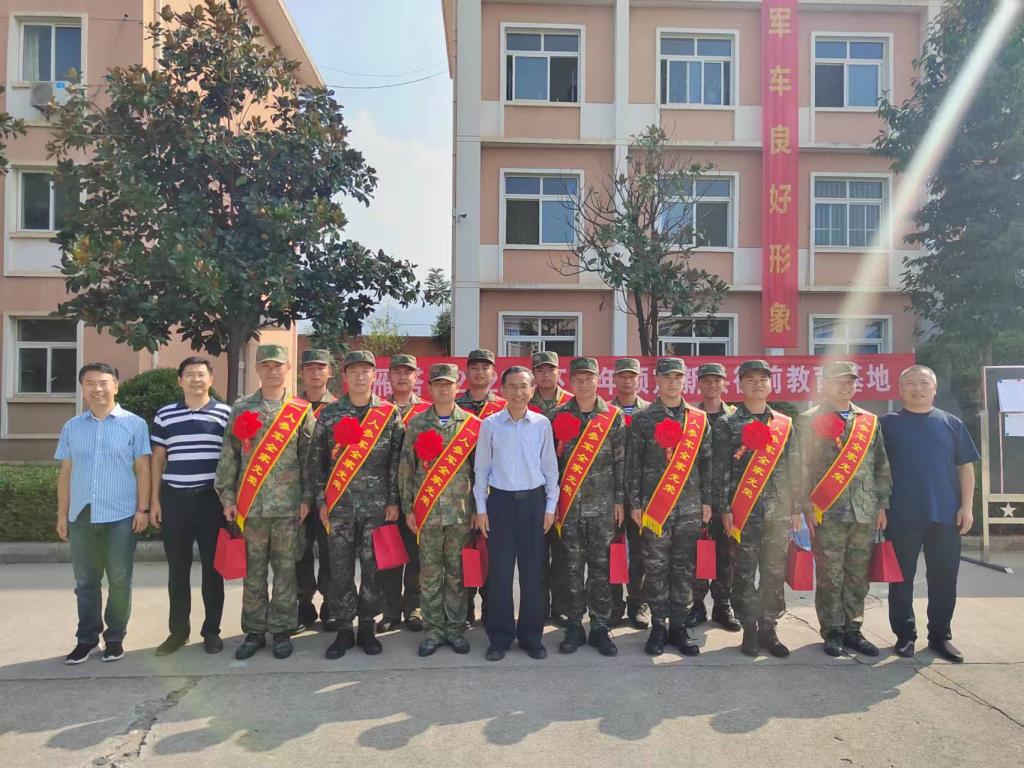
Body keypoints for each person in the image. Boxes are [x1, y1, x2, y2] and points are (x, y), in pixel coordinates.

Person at [215, 344, 315, 661]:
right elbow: (229, 456)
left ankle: (282, 630)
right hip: (251, 507)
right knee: (254, 573)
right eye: (266, 366)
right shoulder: (242, 408)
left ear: (288, 369)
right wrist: (227, 497)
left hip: (288, 508)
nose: (272, 371)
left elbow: (309, 460)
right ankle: (255, 631)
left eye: (277, 365)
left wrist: (307, 498)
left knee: (286, 572)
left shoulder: (300, 410)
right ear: (258, 369)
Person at [309, 350, 404, 658]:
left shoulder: (389, 414)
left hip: (377, 508)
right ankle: (343, 629)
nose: (360, 376)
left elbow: (397, 462)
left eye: (366, 371)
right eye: (354, 371)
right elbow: (317, 463)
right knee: (339, 569)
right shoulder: (330, 414)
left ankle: (366, 626)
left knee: (373, 569)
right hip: (340, 506)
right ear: (345, 376)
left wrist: (393, 500)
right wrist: (322, 500)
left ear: (375, 376)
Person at [880, 365, 979, 663]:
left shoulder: (951, 423)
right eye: (910, 383)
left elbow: (965, 468)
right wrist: (880, 507)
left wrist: (967, 507)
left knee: (944, 578)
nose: (918, 389)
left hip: (946, 515)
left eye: (924, 383)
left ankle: (940, 636)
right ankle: (904, 636)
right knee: (901, 579)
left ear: (934, 389)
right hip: (901, 514)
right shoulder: (887, 424)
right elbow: (876, 471)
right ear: (900, 389)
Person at [55, 363, 152, 664]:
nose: (97, 389)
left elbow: (143, 469)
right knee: (85, 582)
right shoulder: (72, 427)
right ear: (83, 388)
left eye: (104, 382)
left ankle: (115, 638)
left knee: (119, 580)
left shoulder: (134, 424)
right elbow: (66, 472)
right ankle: (86, 639)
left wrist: (143, 509)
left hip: (121, 515)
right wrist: (62, 515)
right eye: (90, 383)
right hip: (82, 514)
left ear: (116, 386)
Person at [799, 361, 891, 657]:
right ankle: (832, 630)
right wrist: (805, 507)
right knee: (830, 574)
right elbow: (801, 467)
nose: (846, 386)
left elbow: (881, 464)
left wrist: (882, 504)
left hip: (864, 509)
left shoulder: (869, 421)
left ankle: (854, 628)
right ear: (825, 384)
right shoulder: (808, 420)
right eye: (839, 381)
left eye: (850, 381)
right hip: (827, 510)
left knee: (857, 574)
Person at [713, 359, 802, 658]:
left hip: (778, 512)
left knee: (774, 572)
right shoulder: (727, 424)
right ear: (740, 385)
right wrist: (725, 508)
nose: (757, 384)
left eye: (763, 379)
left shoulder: (784, 424)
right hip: (743, 513)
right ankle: (749, 628)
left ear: (770, 384)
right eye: (750, 379)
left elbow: (794, 468)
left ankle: (769, 628)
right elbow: (720, 469)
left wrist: (795, 508)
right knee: (743, 572)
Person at [627, 357, 712, 656]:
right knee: (656, 567)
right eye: (667, 377)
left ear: (685, 380)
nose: (672, 383)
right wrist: (634, 503)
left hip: (689, 507)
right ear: (657, 380)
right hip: (655, 509)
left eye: (678, 377)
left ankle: (678, 626)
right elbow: (633, 465)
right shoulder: (643, 419)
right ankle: (658, 626)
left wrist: (707, 501)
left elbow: (707, 463)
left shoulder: (698, 419)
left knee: (684, 569)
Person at [474, 366, 560, 661]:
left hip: (533, 504)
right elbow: (481, 469)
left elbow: (550, 468)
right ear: (502, 390)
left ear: (532, 390)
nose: (518, 392)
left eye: (524, 386)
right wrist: (481, 510)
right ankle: (499, 637)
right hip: (500, 504)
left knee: (533, 574)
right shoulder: (490, 425)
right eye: (512, 386)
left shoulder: (541, 424)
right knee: (499, 574)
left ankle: (531, 637)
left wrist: (550, 508)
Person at [150, 356, 232, 656]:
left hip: (212, 501)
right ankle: (178, 632)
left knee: (213, 569)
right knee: (178, 569)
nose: (196, 379)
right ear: (180, 380)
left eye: (201, 374)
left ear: (211, 379)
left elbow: (233, 459)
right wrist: (154, 500)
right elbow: (158, 459)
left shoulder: (226, 414)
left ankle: (211, 631)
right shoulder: (165, 415)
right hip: (175, 499)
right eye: (189, 374)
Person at [399, 363, 479, 656]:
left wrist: (477, 508)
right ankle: (432, 631)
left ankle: (455, 629)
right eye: (438, 384)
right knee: (430, 575)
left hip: (460, 512)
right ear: (430, 388)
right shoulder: (417, 424)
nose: (444, 389)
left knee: (456, 574)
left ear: (458, 387)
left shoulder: (472, 425)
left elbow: (480, 471)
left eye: (449, 384)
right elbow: (406, 469)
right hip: (427, 512)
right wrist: (408, 508)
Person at [551, 357, 625, 657]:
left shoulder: (613, 416)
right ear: (570, 382)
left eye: (589, 378)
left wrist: (619, 500)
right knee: (570, 568)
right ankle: (573, 625)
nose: (583, 384)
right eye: (578, 379)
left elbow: (621, 461)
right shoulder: (557, 415)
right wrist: (552, 502)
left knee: (600, 569)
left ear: (598, 380)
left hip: (603, 506)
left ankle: (600, 626)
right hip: (569, 506)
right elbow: (549, 464)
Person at [687, 362, 741, 632]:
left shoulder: (735, 417)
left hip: (729, 498)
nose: (711, 385)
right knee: (697, 551)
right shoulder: (691, 417)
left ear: (724, 383)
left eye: (716, 380)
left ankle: (722, 605)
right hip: (697, 496)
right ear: (698, 384)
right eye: (706, 380)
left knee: (727, 553)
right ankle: (697, 604)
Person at [455, 348, 506, 627]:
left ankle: (490, 609)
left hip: (495, 495)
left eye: (485, 367)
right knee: (463, 555)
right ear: (466, 372)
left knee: (492, 555)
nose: (479, 372)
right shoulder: (454, 405)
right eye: (474, 367)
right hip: (458, 494)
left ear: (493, 374)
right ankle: (464, 612)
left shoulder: (503, 408)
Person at [378, 353, 427, 633]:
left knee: (416, 556)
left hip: (420, 496)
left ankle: (414, 608)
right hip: (384, 497)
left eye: (407, 372)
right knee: (390, 556)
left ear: (416, 377)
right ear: (388, 377)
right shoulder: (378, 411)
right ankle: (390, 611)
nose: (402, 377)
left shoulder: (428, 411)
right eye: (396, 372)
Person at [528, 350, 573, 626]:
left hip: (568, 487)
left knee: (563, 553)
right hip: (533, 488)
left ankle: (561, 607)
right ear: (533, 374)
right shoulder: (523, 401)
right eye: (540, 370)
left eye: (550, 369)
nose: (546, 375)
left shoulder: (572, 404)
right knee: (536, 553)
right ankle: (538, 606)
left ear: (559, 372)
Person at [295, 348, 337, 633]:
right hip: (296, 494)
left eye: (320, 367)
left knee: (331, 550)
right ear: (301, 373)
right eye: (309, 368)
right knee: (299, 551)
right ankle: (303, 603)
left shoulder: (339, 408)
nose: (315, 372)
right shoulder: (289, 408)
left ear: (330, 372)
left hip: (330, 494)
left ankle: (331, 604)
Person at [609, 357, 652, 630]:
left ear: (639, 380)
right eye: (622, 376)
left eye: (632, 376)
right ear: (614, 379)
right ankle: (614, 605)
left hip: (641, 496)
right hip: (609, 495)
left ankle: (638, 604)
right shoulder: (604, 412)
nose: (627, 381)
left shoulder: (650, 413)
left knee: (639, 553)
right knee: (612, 551)